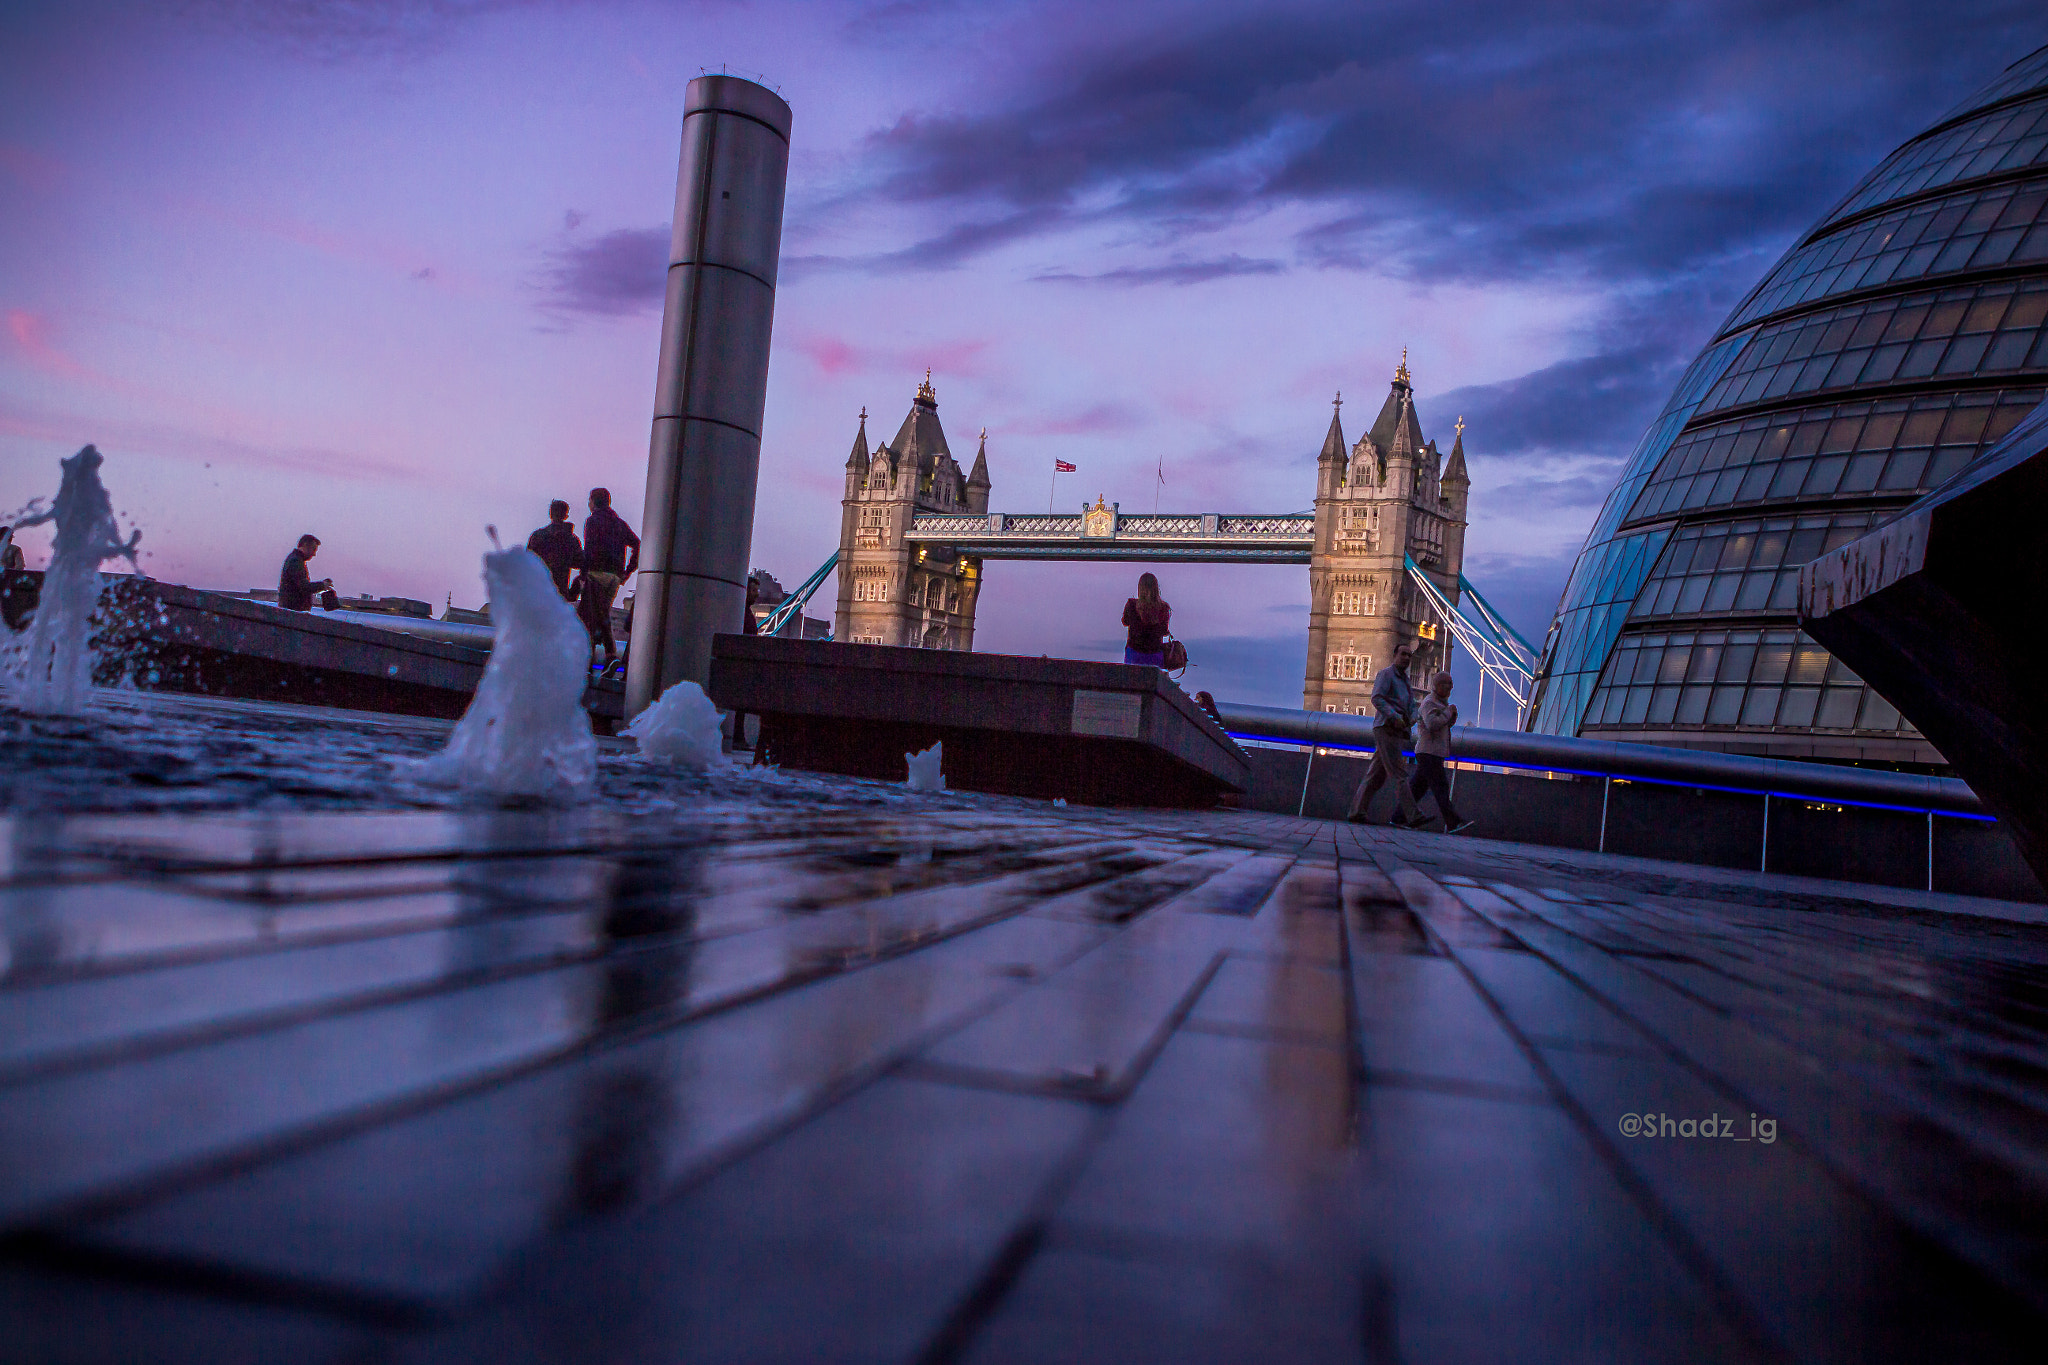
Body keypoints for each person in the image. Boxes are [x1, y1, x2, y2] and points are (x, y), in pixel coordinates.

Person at [1345, 639, 1424, 826]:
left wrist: (1412, 717)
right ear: (1394, 656)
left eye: (1409, 655)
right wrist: (1394, 715)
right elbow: (1377, 698)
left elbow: (1412, 705)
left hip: (1398, 730)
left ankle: (1356, 812)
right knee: (1399, 774)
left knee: (1375, 775)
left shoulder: (1405, 680)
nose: (1406, 658)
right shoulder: (1386, 675)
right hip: (1386, 728)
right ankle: (1413, 815)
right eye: (1403, 654)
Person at [578, 488, 640, 669]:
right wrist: (627, 572)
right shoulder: (620, 523)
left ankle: (603, 656)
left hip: (596, 574)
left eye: (589, 500)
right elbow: (637, 545)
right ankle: (609, 656)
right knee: (601, 613)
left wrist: (582, 575)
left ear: (593, 501)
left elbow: (588, 550)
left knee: (588, 617)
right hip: (614, 577)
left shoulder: (592, 521)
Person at [1410, 670, 1474, 834]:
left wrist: (1450, 717)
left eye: (1450, 684)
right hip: (1429, 753)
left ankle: (1398, 817)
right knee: (1441, 788)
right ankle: (1453, 822)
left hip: (1433, 752)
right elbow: (1432, 724)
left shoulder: (1440, 703)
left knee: (1418, 788)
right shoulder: (1430, 702)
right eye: (1445, 684)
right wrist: (1448, 713)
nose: (1449, 687)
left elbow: (1441, 726)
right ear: (1436, 685)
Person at [526, 500, 583, 602]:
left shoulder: (538, 536)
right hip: (560, 590)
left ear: (550, 513)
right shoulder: (572, 539)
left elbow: (527, 563)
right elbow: (579, 563)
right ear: (566, 516)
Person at [1122, 572, 1170, 667]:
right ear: (1156, 588)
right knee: (1153, 680)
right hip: (1155, 653)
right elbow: (1164, 631)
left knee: (1132, 680)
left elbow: (1125, 621)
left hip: (1134, 653)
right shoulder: (1163, 607)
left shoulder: (1131, 605)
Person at [278, 535, 335, 612]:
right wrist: (322, 585)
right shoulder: (296, 561)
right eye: (314, 549)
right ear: (305, 545)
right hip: (293, 613)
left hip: (290, 611)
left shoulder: (294, 559)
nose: (314, 554)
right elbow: (304, 587)